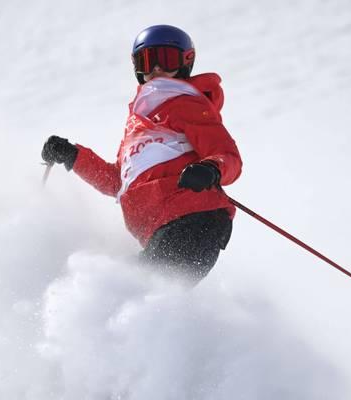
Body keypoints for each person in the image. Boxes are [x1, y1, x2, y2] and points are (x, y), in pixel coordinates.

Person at [41, 24, 242, 282]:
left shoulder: (187, 104)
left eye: (166, 59)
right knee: (128, 292)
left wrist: (211, 169)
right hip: (159, 230)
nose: (157, 69)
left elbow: (228, 156)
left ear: (185, 62)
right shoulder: (138, 123)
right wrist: (72, 155)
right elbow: (117, 182)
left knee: (122, 290)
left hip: (193, 219)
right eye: (148, 61)